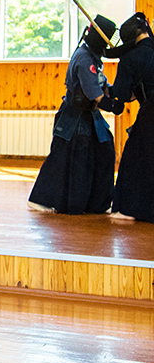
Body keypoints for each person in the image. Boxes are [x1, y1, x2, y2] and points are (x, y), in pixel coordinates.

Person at [28, 14, 117, 215]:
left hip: (88, 115)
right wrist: (111, 105)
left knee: (104, 150)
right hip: (74, 116)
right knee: (68, 159)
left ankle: (97, 203)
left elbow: (102, 82)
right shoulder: (84, 58)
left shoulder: (92, 56)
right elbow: (93, 91)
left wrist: (116, 91)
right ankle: (46, 199)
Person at [102, 12, 154, 222]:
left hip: (151, 112)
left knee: (135, 159)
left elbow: (123, 95)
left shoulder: (131, 57)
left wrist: (106, 93)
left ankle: (130, 209)